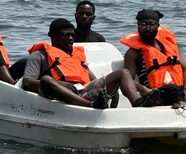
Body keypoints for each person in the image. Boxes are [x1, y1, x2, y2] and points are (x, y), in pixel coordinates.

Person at [22, 18, 160, 109]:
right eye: (66, 35)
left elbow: (94, 81)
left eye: (73, 35)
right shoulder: (39, 55)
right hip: (57, 94)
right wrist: (59, 84)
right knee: (46, 79)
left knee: (123, 73)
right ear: (53, 37)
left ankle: (136, 104)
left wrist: (109, 89)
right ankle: (90, 106)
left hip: (82, 91)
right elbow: (28, 82)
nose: (71, 38)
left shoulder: (77, 56)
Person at [121, 9, 186, 109]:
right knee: (172, 89)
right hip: (158, 94)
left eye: (152, 25)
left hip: (180, 91)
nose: (148, 28)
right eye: (143, 25)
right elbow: (129, 80)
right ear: (138, 26)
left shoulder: (168, 46)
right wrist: (143, 90)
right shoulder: (133, 53)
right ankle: (183, 111)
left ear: (158, 26)